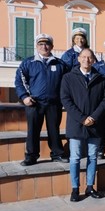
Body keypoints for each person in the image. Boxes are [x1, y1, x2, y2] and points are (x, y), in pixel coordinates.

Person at [60, 48, 105, 202]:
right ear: (78, 59)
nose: (86, 60)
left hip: (95, 125)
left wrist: (93, 117)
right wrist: (82, 118)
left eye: (90, 57)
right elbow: (66, 100)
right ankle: (75, 189)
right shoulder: (68, 78)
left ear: (93, 60)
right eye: (84, 57)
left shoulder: (101, 79)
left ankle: (90, 187)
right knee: (75, 158)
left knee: (92, 157)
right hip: (76, 124)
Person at [15, 33, 68, 166]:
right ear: (37, 46)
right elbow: (19, 81)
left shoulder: (60, 64)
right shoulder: (28, 63)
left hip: (54, 103)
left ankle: (57, 154)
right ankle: (31, 156)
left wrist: (63, 99)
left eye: (47, 44)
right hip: (34, 103)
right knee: (33, 130)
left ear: (52, 46)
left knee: (54, 129)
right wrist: (24, 97)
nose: (44, 46)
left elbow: (66, 84)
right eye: (41, 44)